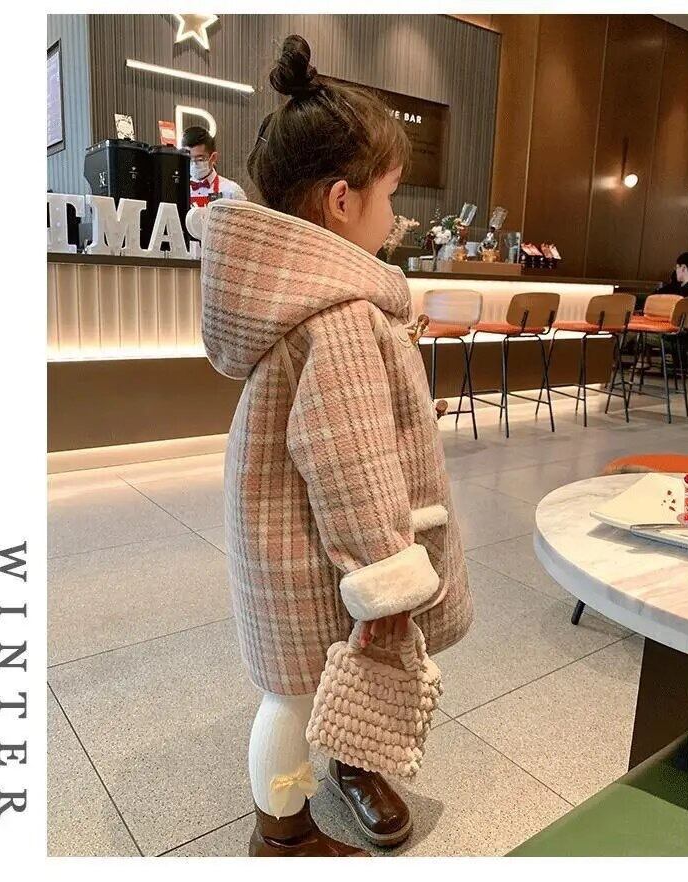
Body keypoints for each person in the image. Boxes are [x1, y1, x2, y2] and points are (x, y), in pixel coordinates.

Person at [200, 35, 472, 857]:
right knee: (298, 693)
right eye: (391, 194)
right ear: (342, 200)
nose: (400, 214)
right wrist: (387, 578)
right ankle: (283, 835)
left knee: (330, 675)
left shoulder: (321, 300)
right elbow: (351, 465)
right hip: (323, 552)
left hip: (294, 537)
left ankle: (353, 765)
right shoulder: (343, 316)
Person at [182, 125, 246, 207]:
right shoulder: (180, 191)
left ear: (213, 157)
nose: (194, 164)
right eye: (189, 159)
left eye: (200, 159)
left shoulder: (231, 191)